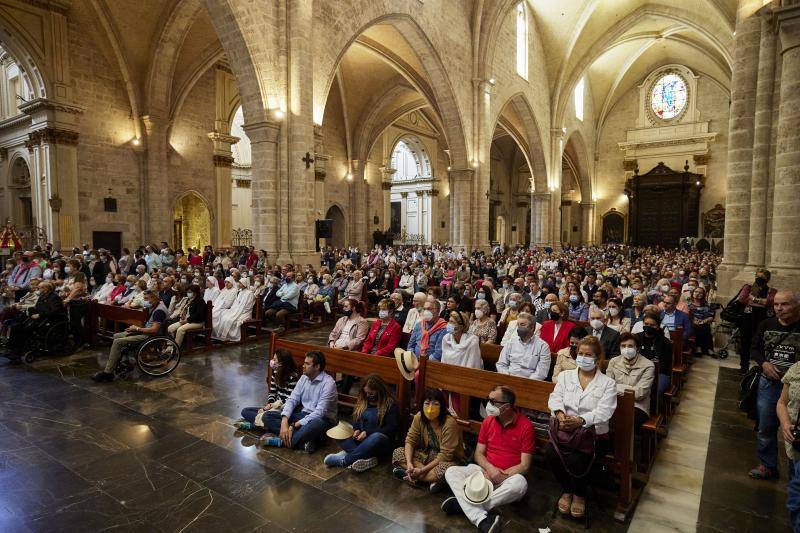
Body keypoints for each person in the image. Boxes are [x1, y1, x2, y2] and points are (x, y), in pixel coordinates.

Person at [441, 385, 533, 532]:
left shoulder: (525, 426)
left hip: (508, 477)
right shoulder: (488, 421)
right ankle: (481, 519)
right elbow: (478, 454)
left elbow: (525, 465)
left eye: (493, 401)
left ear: (507, 406)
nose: (488, 404)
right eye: (488, 399)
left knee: (520, 484)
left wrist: (501, 476)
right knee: (451, 472)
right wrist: (490, 470)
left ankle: (465, 505)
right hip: (484, 471)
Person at [547, 336, 617, 518]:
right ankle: (567, 489)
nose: (583, 357)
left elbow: (604, 412)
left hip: (592, 434)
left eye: (588, 354)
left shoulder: (607, 383)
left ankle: (579, 494)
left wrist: (580, 420)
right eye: (581, 354)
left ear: (597, 358)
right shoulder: (565, 376)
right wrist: (560, 414)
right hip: (564, 429)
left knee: (577, 459)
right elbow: (555, 398)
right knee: (551, 453)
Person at [750, 291, 800, 480]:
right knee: (766, 426)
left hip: (796, 387)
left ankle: (795, 470)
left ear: (796, 305)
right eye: (776, 305)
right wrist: (764, 363)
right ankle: (767, 464)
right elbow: (754, 348)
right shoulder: (767, 324)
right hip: (770, 384)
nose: (779, 308)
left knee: (794, 428)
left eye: (784, 304)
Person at [260, 351, 338, 452]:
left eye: (307, 364)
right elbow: (292, 399)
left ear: (317, 366)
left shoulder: (328, 383)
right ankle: (305, 442)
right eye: (304, 363)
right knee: (267, 416)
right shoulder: (303, 378)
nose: (303, 366)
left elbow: (320, 413)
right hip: (303, 415)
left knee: (316, 423)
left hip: (323, 420)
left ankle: (282, 440)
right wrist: (284, 422)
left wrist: (293, 425)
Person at [392, 388, 465, 492]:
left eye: (436, 404)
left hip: (447, 460)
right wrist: (409, 463)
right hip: (426, 455)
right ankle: (426, 479)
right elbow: (410, 440)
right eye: (427, 403)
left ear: (442, 407)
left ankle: (413, 476)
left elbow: (445, 456)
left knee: (447, 470)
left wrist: (421, 470)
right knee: (397, 452)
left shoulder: (450, 423)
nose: (430, 408)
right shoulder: (419, 417)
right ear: (422, 404)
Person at [324, 374, 399, 471]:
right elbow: (357, 421)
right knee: (339, 431)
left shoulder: (390, 405)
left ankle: (345, 460)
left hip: (379, 442)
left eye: (371, 394)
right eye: (366, 393)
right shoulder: (363, 401)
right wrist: (356, 430)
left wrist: (368, 434)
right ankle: (363, 457)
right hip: (360, 440)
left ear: (380, 391)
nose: (368, 396)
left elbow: (391, 429)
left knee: (377, 437)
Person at [91, 290, 168, 382]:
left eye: (146, 299)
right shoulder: (155, 306)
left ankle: (108, 372)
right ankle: (125, 361)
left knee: (118, 342)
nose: (145, 301)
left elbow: (154, 330)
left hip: (150, 336)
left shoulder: (159, 311)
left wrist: (136, 329)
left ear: (154, 298)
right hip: (145, 332)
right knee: (117, 336)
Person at [235, 349, 301, 430]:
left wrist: (270, 407)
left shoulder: (292, 377)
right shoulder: (275, 372)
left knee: (266, 416)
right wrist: (269, 404)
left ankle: (255, 426)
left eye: (275, 359)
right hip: (272, 408)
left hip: (282, 409)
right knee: (245, 411)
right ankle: (266, 425)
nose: (272, 361)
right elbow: (272, 393)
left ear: (281, 363)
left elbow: (289, 400)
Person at [606, 332, 655, 431]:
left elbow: (639, 394)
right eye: (623, 346)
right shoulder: (613, 362)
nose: (626, 349)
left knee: (622, 421)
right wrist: (628, 390)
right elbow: (607, 387)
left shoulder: (648, 365)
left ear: (637, 348)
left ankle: (623, 446)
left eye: (630, 346)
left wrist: (616, 387)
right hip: (614, 402)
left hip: (637, 406)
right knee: (601, 417)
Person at [5, 282, 65, 359]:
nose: (38, 289)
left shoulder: (54, 297)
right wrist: (31, 310)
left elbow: (55, 311)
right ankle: (11, 349)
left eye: (40, 288)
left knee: (23, 329)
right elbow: (37, 307)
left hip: (49, 320)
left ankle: (17, 352)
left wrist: (40, 315)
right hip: (39, 318)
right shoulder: (43, 296)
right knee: (16, 327)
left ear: (46, 289)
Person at [738, 269, 777, 373]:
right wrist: (762, 302)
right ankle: (744, 367)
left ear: (767, 279)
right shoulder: (748, 287)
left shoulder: (771, 291)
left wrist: (754, 300)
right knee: (745, 343)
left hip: (763, 321)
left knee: (760, 344)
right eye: (757, 276)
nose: (759, 279)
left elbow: (771, 302)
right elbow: (742, 299)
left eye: (762, 278)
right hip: (747, 319)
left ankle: (761, 367)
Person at [776, 360, 800, 531]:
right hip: (796, 446)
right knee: (795, 498)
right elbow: (782, 403)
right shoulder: (797, 368)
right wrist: (785, 423)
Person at [496, 312, 550, 380]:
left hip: (529, 382)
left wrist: (526, 382)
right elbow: (501, 364)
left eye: (522, 325)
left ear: (531, 328)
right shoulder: (511, 342)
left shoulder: (543, 346)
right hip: (509, 378)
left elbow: (541, 372)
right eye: (518, 325)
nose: (519, 328)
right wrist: (508, 377)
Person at [635, 311, 673, 394]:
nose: (648, 327)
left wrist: (650, 369)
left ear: (658, 326)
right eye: (646, 324)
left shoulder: (665, 342)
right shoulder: (636, 337)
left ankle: (655, 407)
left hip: (659, 372)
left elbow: (665, 364)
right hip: (637, 369)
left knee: (655, 389)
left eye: (652, 325)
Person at [689, 286, 715, 357]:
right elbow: (687, 316)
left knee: (705, 327)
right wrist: (693, 320)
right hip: (693, 323)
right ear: (693, 293)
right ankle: (701, 348)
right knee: (698, 327)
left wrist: (704, 321)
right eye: (696, 292)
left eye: (701, 292)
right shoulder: (689, 305)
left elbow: (711, 317)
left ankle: (706, 348)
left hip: (704, 323)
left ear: (703, 295)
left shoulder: (707, 305)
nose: (698, 294)